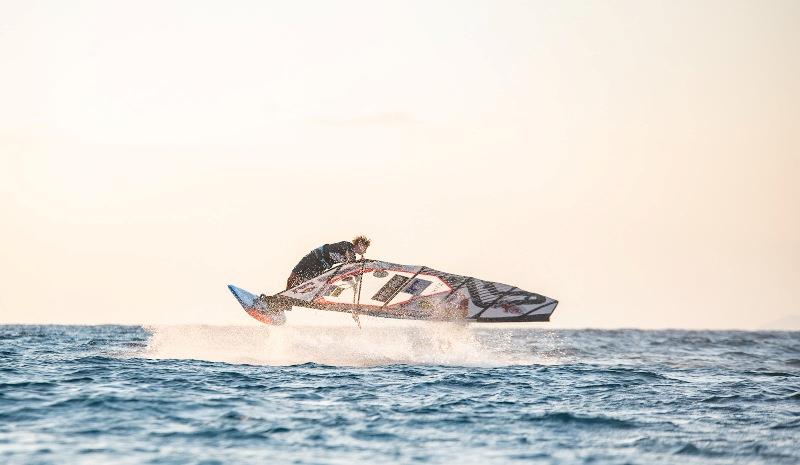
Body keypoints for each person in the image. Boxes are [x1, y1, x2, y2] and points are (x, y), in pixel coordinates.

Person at [285, 236, 371, 289]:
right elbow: (350, 258)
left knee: (302, 282)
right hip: (312, 257)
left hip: (318, 267)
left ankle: (292, 298)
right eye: (365, 248)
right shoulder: (347, 245)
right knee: (292, 277)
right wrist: (358, 264)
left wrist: (356, 279)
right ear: (359, 244)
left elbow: (351, 268)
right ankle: (284, 298)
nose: (365, 251)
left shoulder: (353, 259)